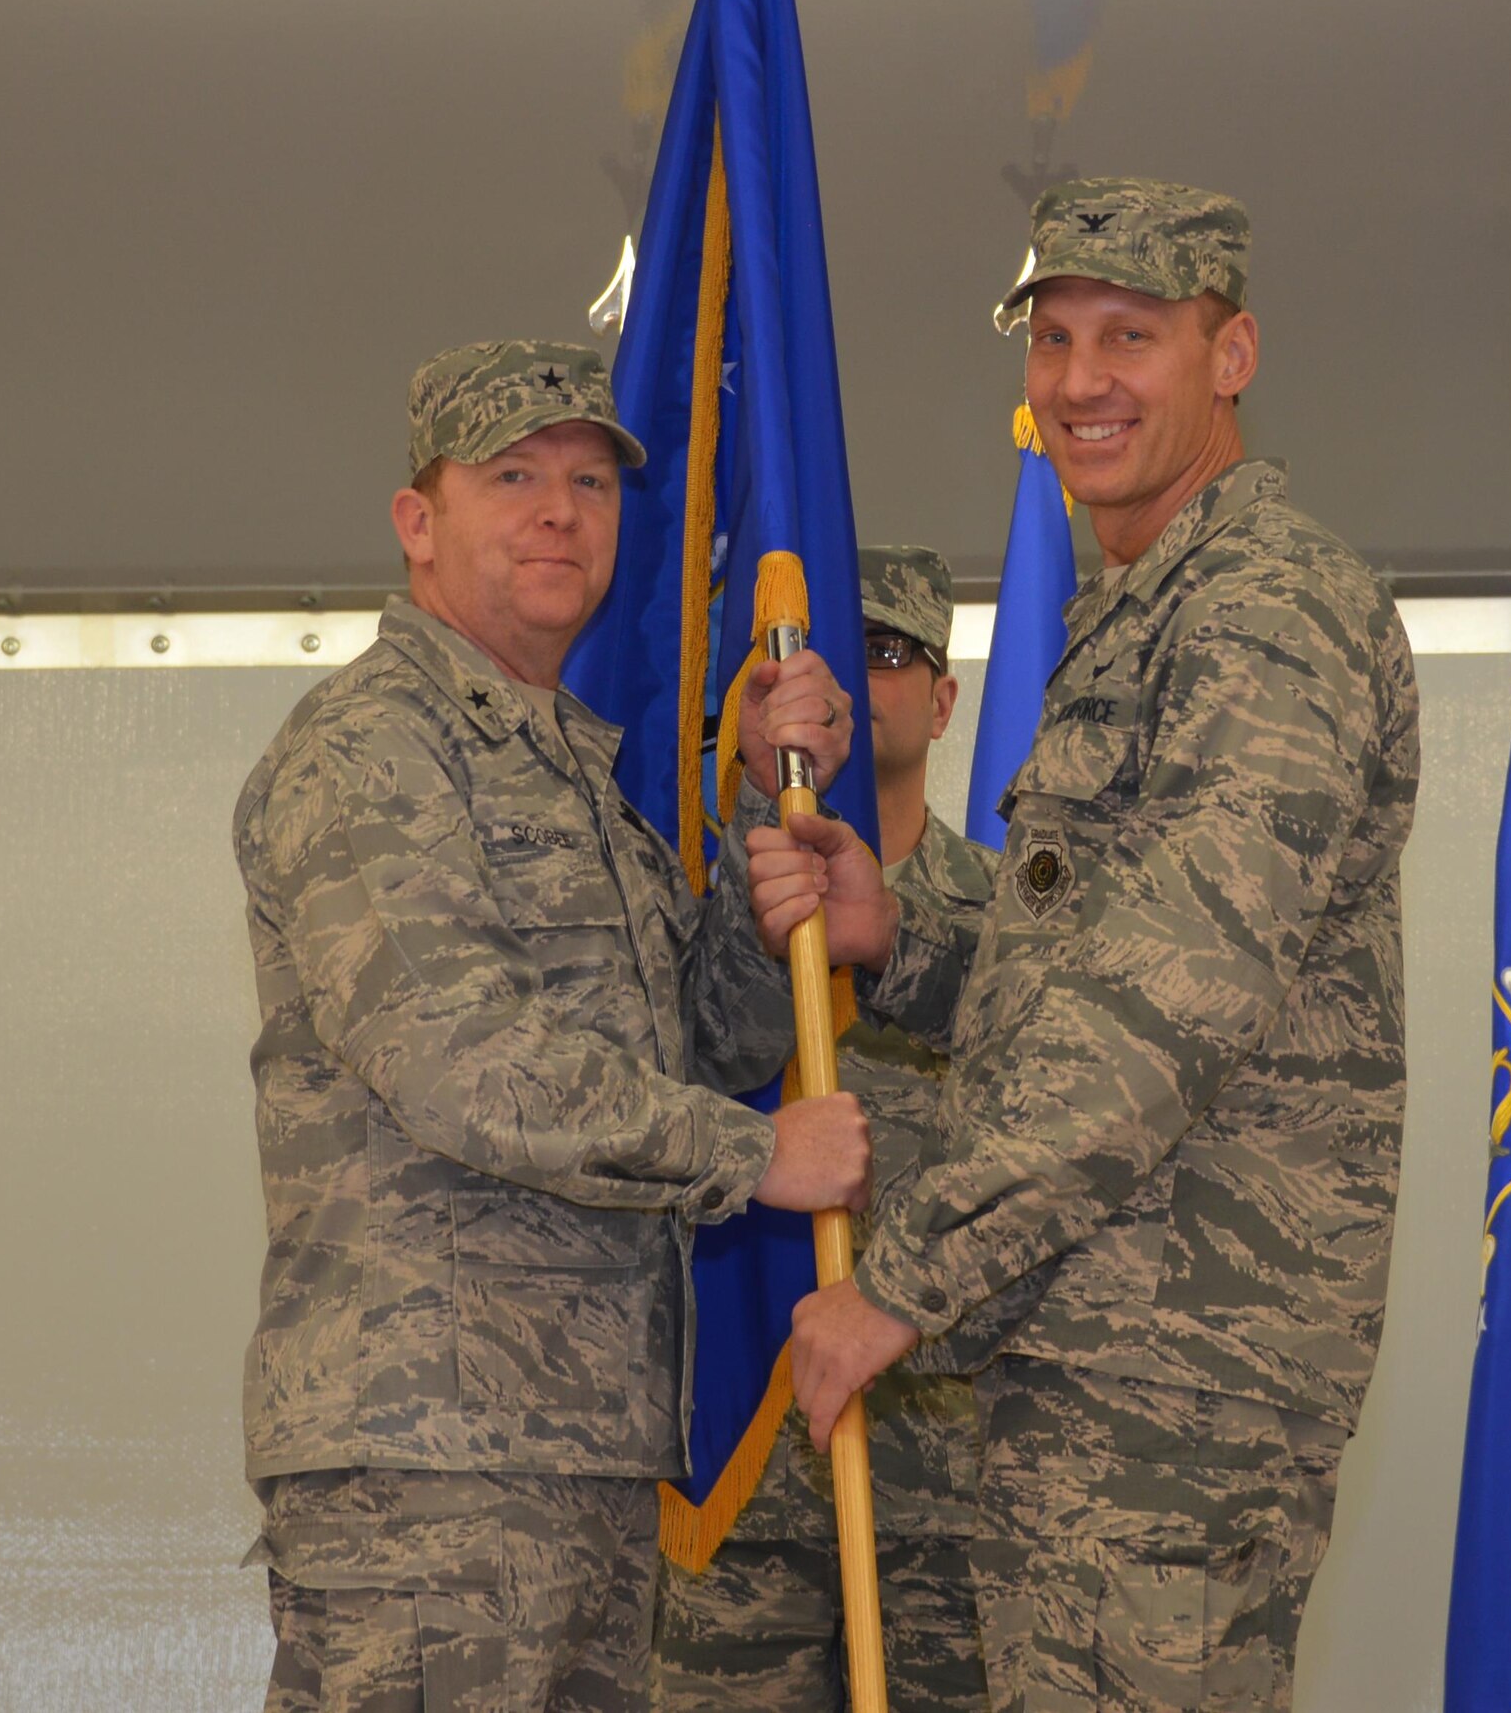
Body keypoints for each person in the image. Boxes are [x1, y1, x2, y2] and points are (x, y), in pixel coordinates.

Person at [749, 181, 1422, 1710]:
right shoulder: (1145, 607)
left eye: (1131, 335)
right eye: (1053, 338)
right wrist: (900, 935)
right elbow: (1089, 947)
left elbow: (1168, 997)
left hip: (1176, 1371)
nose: (1080, 379)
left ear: (1231, 355)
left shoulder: (1263, 609)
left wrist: (904, 1277)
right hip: (1105, 1356)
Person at [233, 339, 871, 1713]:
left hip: (584, 1446)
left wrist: (763, 838)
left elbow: (702, 1045)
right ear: (418, 520)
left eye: (590, 481)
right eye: (513, 476)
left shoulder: (571, 767)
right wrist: (755, 1155)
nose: (559, 512)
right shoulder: (370, 746)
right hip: (432, 1457)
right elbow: (458, 1062)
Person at [655, 544, 996, 1713]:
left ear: (943, 699)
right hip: (740, 1479)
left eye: (889, 652)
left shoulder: (1006, 925)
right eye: (838, 650)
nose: (853, 679)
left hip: (947, 1488)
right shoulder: (707, 917)